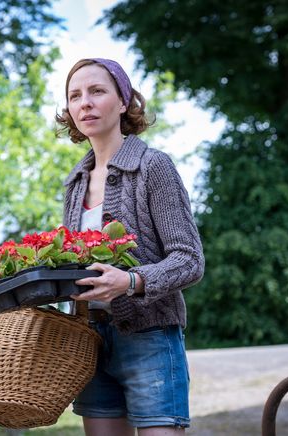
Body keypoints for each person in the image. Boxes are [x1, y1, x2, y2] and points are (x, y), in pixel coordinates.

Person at [56, 58, 205, 436]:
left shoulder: (153, 167)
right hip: (90, 342)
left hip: (150, 339)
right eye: (75, 96)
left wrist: (131, 281)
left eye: (97, 91)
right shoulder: (75, 182)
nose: (84, 103)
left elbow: (189, 260)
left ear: (123, 102)